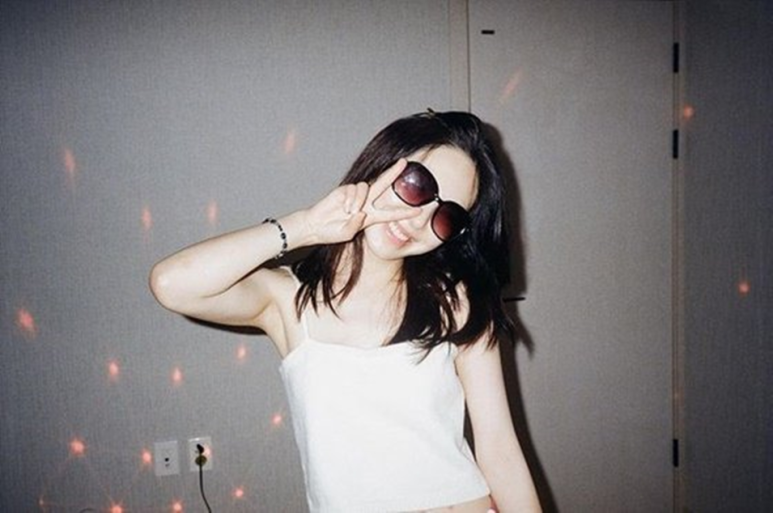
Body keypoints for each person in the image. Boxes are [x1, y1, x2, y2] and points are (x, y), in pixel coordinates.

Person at [149, 111, 541, 513]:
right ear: (383, 162)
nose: (419, 219)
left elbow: (499, 449)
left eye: (447, 216)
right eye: (418, 185)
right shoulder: (288, 300)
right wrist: (305, 227)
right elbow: (171, 284)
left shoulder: (455, 301)